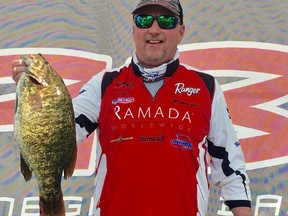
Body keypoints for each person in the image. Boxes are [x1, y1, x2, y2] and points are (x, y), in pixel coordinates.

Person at [12, 0, 252, 215]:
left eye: (166, 21)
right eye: (144, 20)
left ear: (180, 32)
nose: (154, 29)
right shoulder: (105, 84)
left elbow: (231, 167)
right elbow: (62, 133)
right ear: (134, 29)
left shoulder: (206, 87)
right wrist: (36, 97)